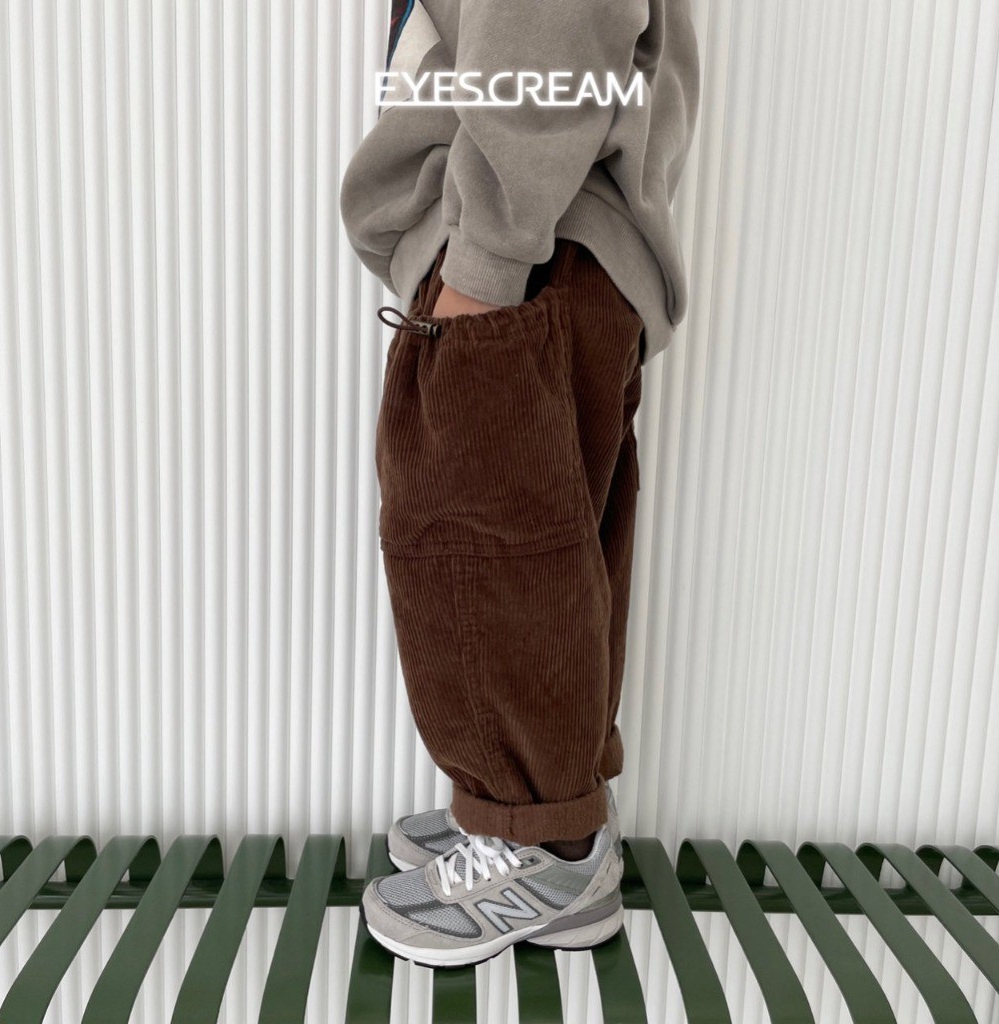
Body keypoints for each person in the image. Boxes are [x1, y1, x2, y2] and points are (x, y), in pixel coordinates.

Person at [339, 0, 700, 969]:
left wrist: (483, 264)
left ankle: (541, 847)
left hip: (523, 249)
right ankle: (546, 822)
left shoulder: (502, 259)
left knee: (476, 548)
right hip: (548, 244)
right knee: (545, 564)